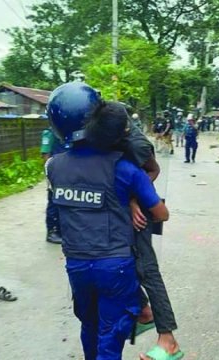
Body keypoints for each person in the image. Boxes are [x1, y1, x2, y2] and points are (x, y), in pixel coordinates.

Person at [45, 82, 170, 359]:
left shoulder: (54, 167)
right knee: (110, 336)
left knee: (89, 327)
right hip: (115, 267)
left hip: (77, 266)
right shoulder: (124, 167)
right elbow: (161, 213)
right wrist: (133, 199)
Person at [86, 101, 184, 360]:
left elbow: (152, 170)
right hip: (117, 210)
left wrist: (133, 199)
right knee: (119, 265)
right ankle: (143, 311)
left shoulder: (137, 145)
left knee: (147, 270)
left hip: (139, 213)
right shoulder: (103, 132)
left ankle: (168, 340)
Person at [40, 126, 66, 244]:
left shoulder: (66, 130)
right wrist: (50, 173)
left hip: (66, 170)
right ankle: (52, 232)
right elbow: (45, 154)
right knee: (54, 199)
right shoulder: (49, 133)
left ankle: (61, 230)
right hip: (55, 170)